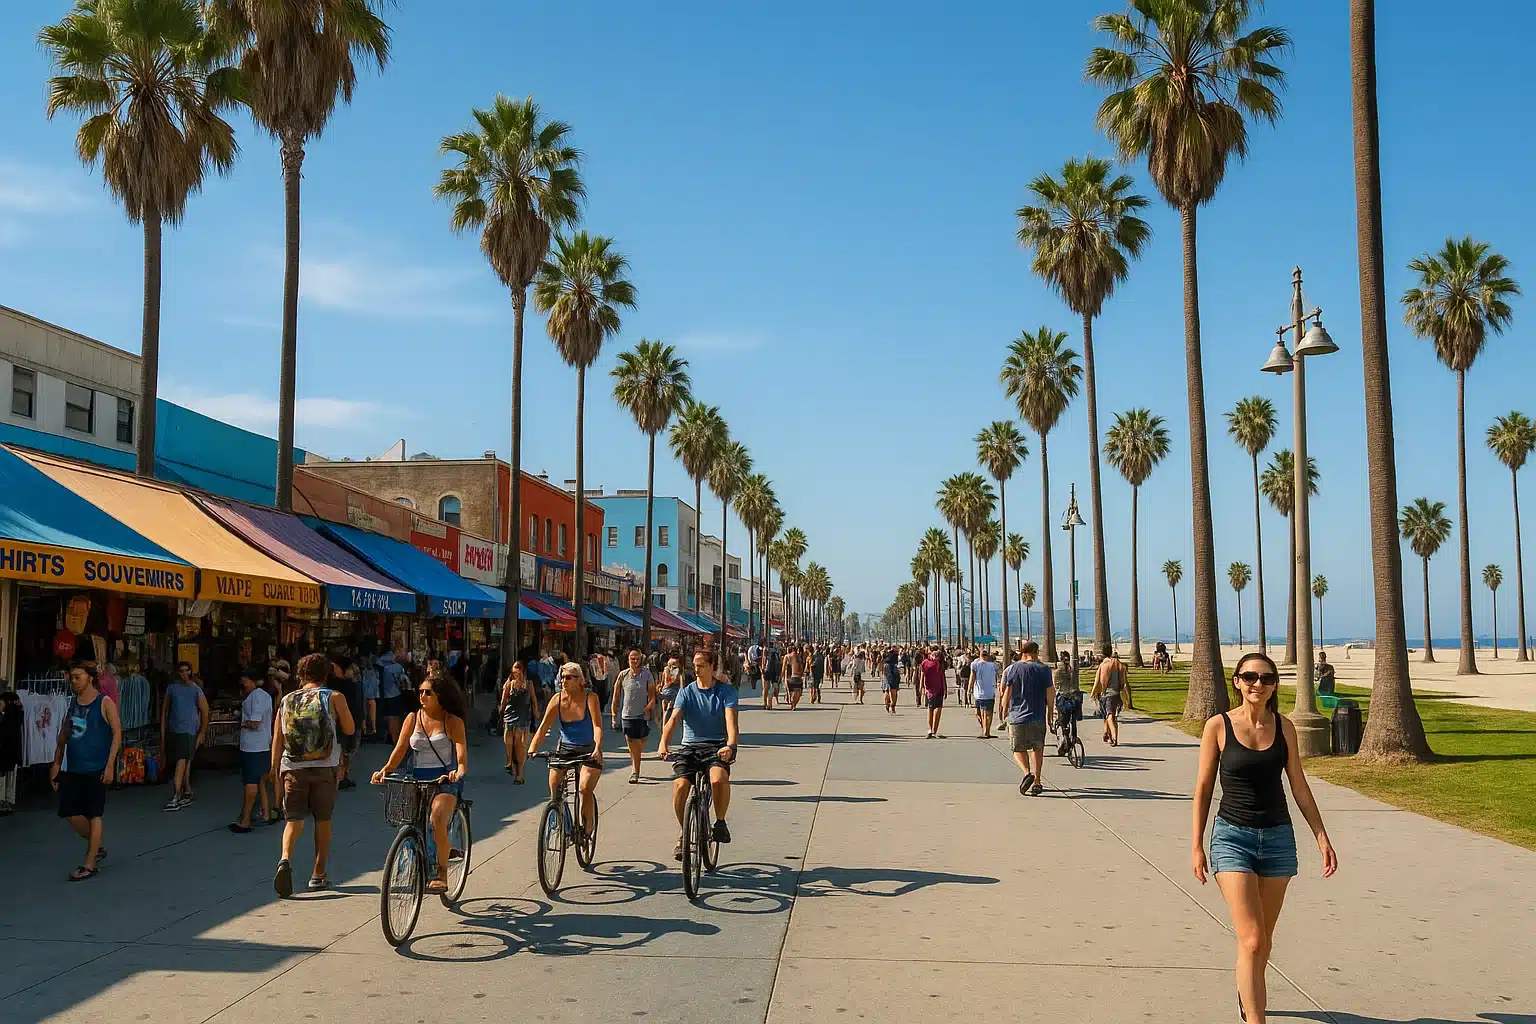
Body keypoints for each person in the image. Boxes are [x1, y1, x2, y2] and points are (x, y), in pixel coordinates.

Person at [1193, 652, 1338, 1024]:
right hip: (1231, 837)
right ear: (1237, 681)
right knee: (1253, 939)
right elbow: (1204, 788)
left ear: (1275, 684)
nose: (1259, 684)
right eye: (1250, 677)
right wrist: (1196, 844)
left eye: (1267, 678)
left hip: (1277, 838)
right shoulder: (1218, 726)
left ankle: (1247, 995)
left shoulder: (1284, 726)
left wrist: (1321, 835)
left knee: (1263, 942)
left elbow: (1299, 785)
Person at [373, 674, 469, 895]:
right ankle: (416, 856)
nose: (422, 696)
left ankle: (441, 872)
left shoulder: (452, 721)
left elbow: (461, 756)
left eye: (428, 692)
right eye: (420, 692)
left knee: (436, 818)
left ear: (440, 697)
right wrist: (385, 770)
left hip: (443, 780)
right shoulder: (412, 718)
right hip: (415, 777)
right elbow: (400, 749)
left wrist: (458, 771)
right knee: (408, 822)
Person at [271, 653, 355, 897]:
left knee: (293, 820)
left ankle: (285, 858)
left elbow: (278, 737)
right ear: (326, 674)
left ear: (301, 674)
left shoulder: (287, 699)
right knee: (323, 819)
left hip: (293, 767)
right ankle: (318, 874)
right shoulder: (334, 697)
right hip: (324, 767)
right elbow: (349, 728)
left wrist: (275, 768)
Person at [658, 648, 739, 862]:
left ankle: (720, 822)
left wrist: (730, 745)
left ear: (712, 666)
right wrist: (663, 742)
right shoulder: (686, 692)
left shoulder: (725, 692)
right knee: (680, 786)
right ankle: (684, 831)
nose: (696, 669)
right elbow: (674, 719)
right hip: (690, 747)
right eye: (694, 665)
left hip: (715, 746)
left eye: (701, 665)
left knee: (718, 779)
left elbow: (731, 722)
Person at [50, 663, 121, 881]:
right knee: (69, 812)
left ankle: (89, 864)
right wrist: (56, 762)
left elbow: (117, 733)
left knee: (94, 813)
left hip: (96, 768)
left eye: (78, 677)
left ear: (90, 678)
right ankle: (96, 846)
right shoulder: (73, 704)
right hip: (74, 767)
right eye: (71, 678)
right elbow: (65, 733)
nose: (73, 682)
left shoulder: (104, 702)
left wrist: (110, 765)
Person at [528, 661, 603, 840]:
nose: (564, 681)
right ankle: (566, 824)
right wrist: (532, 749)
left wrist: (598, 748)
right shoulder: (557, 699)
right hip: (566, 748)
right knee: (554, 785)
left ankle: (587, 828)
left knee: (584, 788)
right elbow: (543, 727)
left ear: (580, 681)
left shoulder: (590, 698)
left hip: (588, 749)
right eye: (562, 677)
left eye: (569, 677)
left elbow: (597, 726)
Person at [999, 641, 1053, 796]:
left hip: (1017, 717)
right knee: (1038, 748)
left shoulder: (1012, 669)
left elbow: (1006, 693)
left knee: (1017, 748)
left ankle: (1026, 772)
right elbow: (1050, 695)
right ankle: (1037, 781)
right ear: (1035, 652)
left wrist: (1003, 712)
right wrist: (1049, 715)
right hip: (1038, 716)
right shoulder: (1044, 670)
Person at [230, 665, 276, 833]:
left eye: (245, 682)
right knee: (260, 780)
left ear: (251, 681)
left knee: (251, 782)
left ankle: (246, 819)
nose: (243, 685)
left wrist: (242, 722)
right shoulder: (263, 696)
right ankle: (264, 813)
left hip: (253, 746)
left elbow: (255, 722)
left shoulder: (256, 697)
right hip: (261, 744)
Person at [160, 661, 208, 811]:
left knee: (182, 761)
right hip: (174, 729)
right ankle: (187, 790)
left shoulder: (195, 689)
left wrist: (202, 732)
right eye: (181, 671)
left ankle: (176, 794)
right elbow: (164, 711)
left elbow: (205, 711)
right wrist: (163, 733)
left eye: (187, 670)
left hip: (189, 730)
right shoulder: (173, 688)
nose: (184, 674)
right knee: (185, 761)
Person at [612, 648, 657, 784]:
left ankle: (635, 759)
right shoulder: (623, 675)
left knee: (641, 740)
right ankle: (635, 771)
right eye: (632, 658)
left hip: (642, 714)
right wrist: (614, 715)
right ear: (628, 660)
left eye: (637, 658)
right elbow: (616, 696)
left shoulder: (647, 675)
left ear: (641, 659)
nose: (635, 660)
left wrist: (649, 707)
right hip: (627, 715)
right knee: (633, 742)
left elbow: (652, 695)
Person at [498, 661, 540, 784]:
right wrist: (500, 708)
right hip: (510, 715)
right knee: (508, 739)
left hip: (523, 716)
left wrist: (536, 711)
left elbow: (533, 700)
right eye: (514, 672)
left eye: (518, 671)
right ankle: (509, 761)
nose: (516, 674)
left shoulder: (528, 684)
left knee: (520, 745)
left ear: (522, 671)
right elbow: (504, 699)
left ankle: (519, 773)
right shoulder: (509, 684)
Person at [331, 656, 363, 790]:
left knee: (344, 751)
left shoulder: (337, 685)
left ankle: (343, 776)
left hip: (344, 721)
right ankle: (341, 776)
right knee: (345, 751)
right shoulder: (346, 685)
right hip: (349, 721)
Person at [1092, 650, 1130, 746]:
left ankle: (1113, 737)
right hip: (1117, 694)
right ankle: (1108, 734)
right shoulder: (1121, 667)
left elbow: (1101, 681)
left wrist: (1095, 693)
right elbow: (1124, 683)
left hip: (1108, 694)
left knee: (1109, 717)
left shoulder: (1105, 666)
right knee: (1112, 717)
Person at [377, 647, 408, 742]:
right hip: (395, 694)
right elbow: (403, 681)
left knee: (391, 717)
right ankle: (395, 738)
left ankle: (391, 736)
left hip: (384, 694)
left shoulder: (381, 664)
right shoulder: (398, 667)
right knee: (395, 717)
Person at [970, 647, 1000, 739]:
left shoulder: (991, 665)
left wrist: (969, 689)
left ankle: (986, 732)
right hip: (982, 693)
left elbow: (972, 676)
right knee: (982, 713)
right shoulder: (977, 664)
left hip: (985, 693)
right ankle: (985, 729)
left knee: (985, 713)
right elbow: (973, 676)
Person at [920, 647, 947, 738]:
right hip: (933, 689)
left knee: (932, 708)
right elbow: (923, 675)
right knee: (935, 709)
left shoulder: (927, 662)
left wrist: (921, 687)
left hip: (935, 689)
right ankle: (932, 730)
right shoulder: (930, 663)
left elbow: (922, 675)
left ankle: (931, 730)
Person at [784, 646, 805, 710]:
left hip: (789, 678)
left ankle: (792, 702)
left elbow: (783, 668)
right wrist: (801, 675)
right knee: (797, 693)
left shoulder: (787, 657)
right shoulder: (798, 658)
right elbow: (801, 669)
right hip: (797, 677)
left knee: (791, 692)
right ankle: (794, 704)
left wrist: (782, 676)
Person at [882, 646, 901, 714]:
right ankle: (892, 706)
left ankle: (888, 705)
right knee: (892, 691)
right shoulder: (894, 659)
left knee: (887, 690)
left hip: (887, 675)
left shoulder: (886, 661)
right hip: (891, 674)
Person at [764, 643, 782, 709]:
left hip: (768, 671)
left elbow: (764, 660)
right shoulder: (777, 652)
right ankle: (771, 703)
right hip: (775, 672)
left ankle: (767, 704)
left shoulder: (766, 651)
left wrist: (763, 669)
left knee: (767, 688)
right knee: (773, 687)